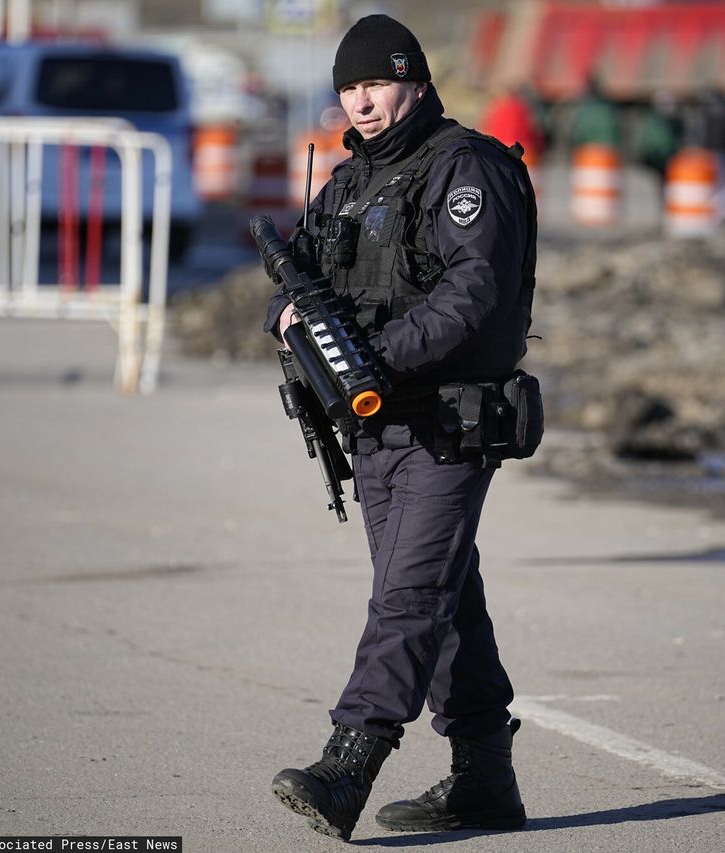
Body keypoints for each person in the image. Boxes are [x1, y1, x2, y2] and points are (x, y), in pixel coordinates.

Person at [261, 14, 536, 841]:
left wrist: (374, 358)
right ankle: (485, 782)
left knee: (410, 594)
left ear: (413, 78)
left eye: (376, 83)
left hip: (447, 423)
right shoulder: (349, 181)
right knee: (445, 603)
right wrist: (286, 317)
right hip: (373, 431)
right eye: (349, 89)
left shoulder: (465, 168)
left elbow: (473, 291)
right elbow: (296, 276)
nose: (363, 102)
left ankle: (350, 761)